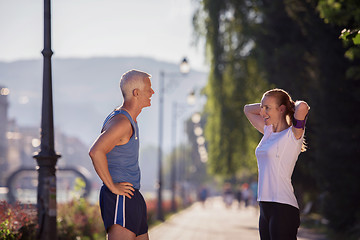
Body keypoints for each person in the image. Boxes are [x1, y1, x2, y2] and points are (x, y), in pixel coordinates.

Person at [89, 69, 155, 240]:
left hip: (131, 196)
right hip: (121, 197)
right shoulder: (121, 122)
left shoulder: (129, 120)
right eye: (149, 88)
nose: (152, 92)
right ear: (136, 92)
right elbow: (96, 151)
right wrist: (112, 186)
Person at [244, 88, 310, 240]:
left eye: (267, 108)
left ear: (281, 109)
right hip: (264, 205)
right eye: (262, 107)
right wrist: (266, 105)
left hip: (283, 207)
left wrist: (288, 104)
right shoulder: (268, 132)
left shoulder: (293, 135)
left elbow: (303, 107)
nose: (262, 112)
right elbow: (247, 109)